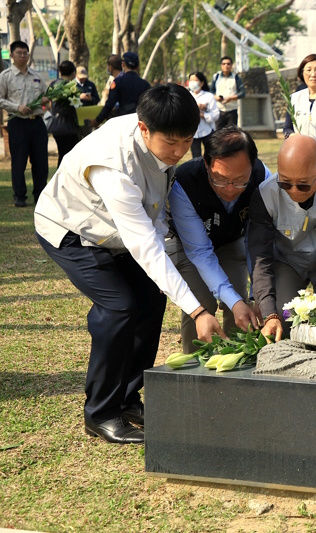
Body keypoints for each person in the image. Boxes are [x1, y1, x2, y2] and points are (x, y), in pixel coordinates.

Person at [34, 84, 225, 444]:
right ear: (144, 129)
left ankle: (127, 397)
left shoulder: (161, 143)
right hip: (71, 228)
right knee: (118, 307)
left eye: (187, 141)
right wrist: (199, 311)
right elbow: (145, 245)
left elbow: (154, 223)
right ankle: (101, 413)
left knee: (151, 299)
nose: (181, 151)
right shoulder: (114, 165)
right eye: (172, 143)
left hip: (116, 233)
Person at [167, 127, 265, 354]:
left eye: (240, 181)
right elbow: (200, 253)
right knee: (202, 304)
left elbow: (257, 240)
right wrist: (234, 301)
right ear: (206, 163)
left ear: (253, 166)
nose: (230, 190)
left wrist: (257, 295)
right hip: (192, 247)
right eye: (219, 179)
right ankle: (194, 363)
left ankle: (240, 360)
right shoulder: (184, 183)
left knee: (241, 301)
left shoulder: (262, 178)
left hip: (234, 241)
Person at [249, 134, 316, 338]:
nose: (294, 191)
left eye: (303, 184)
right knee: (283, 322)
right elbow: (261, 256)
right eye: (285, 183)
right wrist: (268, 311)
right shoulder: (265, 194)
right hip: (289, 261)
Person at [0, 40, 49, 207]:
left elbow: (46, 98)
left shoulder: (36, 76)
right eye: (19, 53)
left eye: (25, 53)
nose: (23, 56)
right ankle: (19, 196)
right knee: (19, 162)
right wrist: (17, 107)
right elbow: (0, 99)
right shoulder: (5, 76)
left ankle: (40, 195)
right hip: (18, 123)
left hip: (37, 124)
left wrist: (46, 101)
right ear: (12, 55)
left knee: (41, 162)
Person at [95, 52, 150, 125]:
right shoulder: (145, 84)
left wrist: (97, 121)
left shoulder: (117, 82)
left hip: (123, 121)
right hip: (139, 121)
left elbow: (109, 105)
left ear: (123, 64)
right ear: (138, 66)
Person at [47, 60, 83, 166]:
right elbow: (75, 106)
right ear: (73, 73)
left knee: (62, 154)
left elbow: (49, 103)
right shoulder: (72, 87)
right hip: (69, 127)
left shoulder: (53, 84)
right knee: (70, 156)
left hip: (56, 126)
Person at [186, 72, 219, 158]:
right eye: (191, 80)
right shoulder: (186, 96)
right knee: (196, 157)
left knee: (211, 155)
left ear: (202, 83)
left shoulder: (208, 96)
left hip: (207, 130)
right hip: (193, 132)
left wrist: (203, 115)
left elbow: (216, 114)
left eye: (195, 80)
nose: (193, 82)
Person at [210, 56, 246, 129]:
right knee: (217, 134)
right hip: (218, 110)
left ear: (231, 66)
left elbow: (242, 93)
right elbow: (211, 92)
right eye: (224, 64)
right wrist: (216, 97)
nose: (226, 66)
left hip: (232, 111)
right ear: (221, 65)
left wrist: (231, 98)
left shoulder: (236, 77)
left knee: (231, 134)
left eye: (228, 64)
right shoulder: (216, 77)